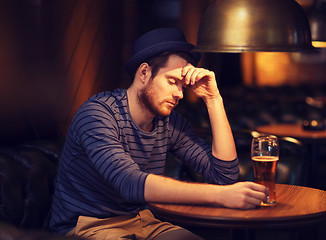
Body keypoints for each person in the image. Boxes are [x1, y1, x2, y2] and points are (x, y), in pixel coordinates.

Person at [49, 28, 268, 240]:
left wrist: (214, 100)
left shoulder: (169, 122)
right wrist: (221, 197)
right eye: (172, 82)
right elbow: (129, 183)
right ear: (144, 73)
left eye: (183, 85)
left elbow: (225, 177)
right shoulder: (97, 113)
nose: (179, 94)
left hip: (140, 220)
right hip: (86, 226)